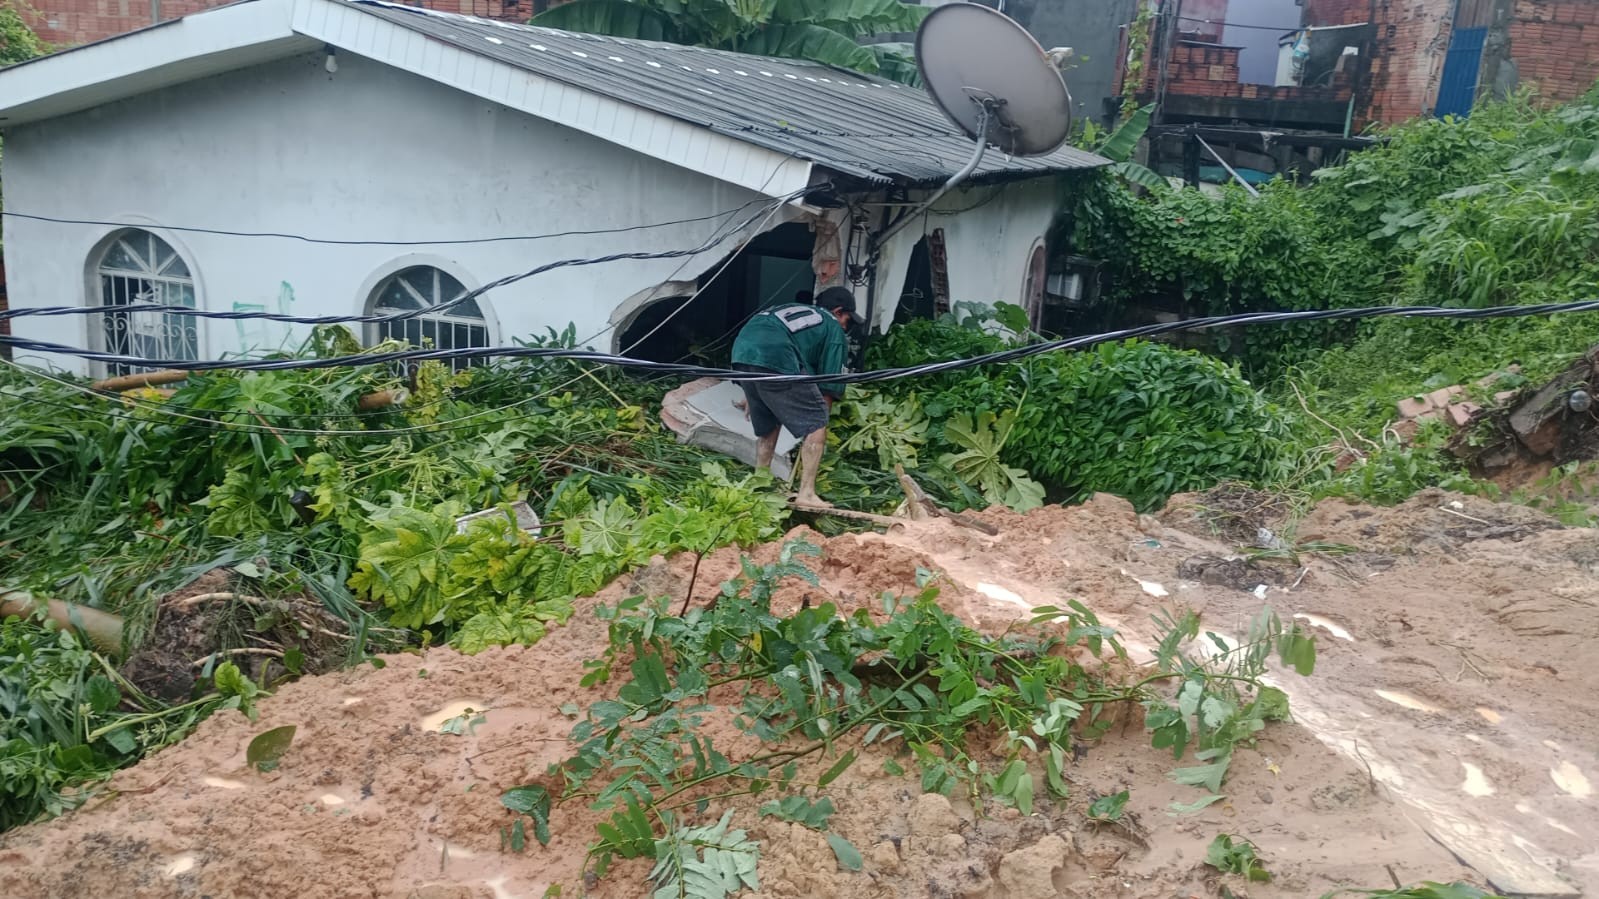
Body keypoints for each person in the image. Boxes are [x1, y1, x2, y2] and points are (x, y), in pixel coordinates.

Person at [731, 286, 863, 507]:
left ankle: (759, 485)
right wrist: (818, 420)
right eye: (847, 320)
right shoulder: (831, 326)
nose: (845, 326)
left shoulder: (796, 312)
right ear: (838, 311)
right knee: (816, 421)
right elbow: (829, 384)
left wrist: (753, 392)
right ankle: (807, 494)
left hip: (742, 350)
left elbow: (760, 340)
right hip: (776, 355)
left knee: (768, 426)